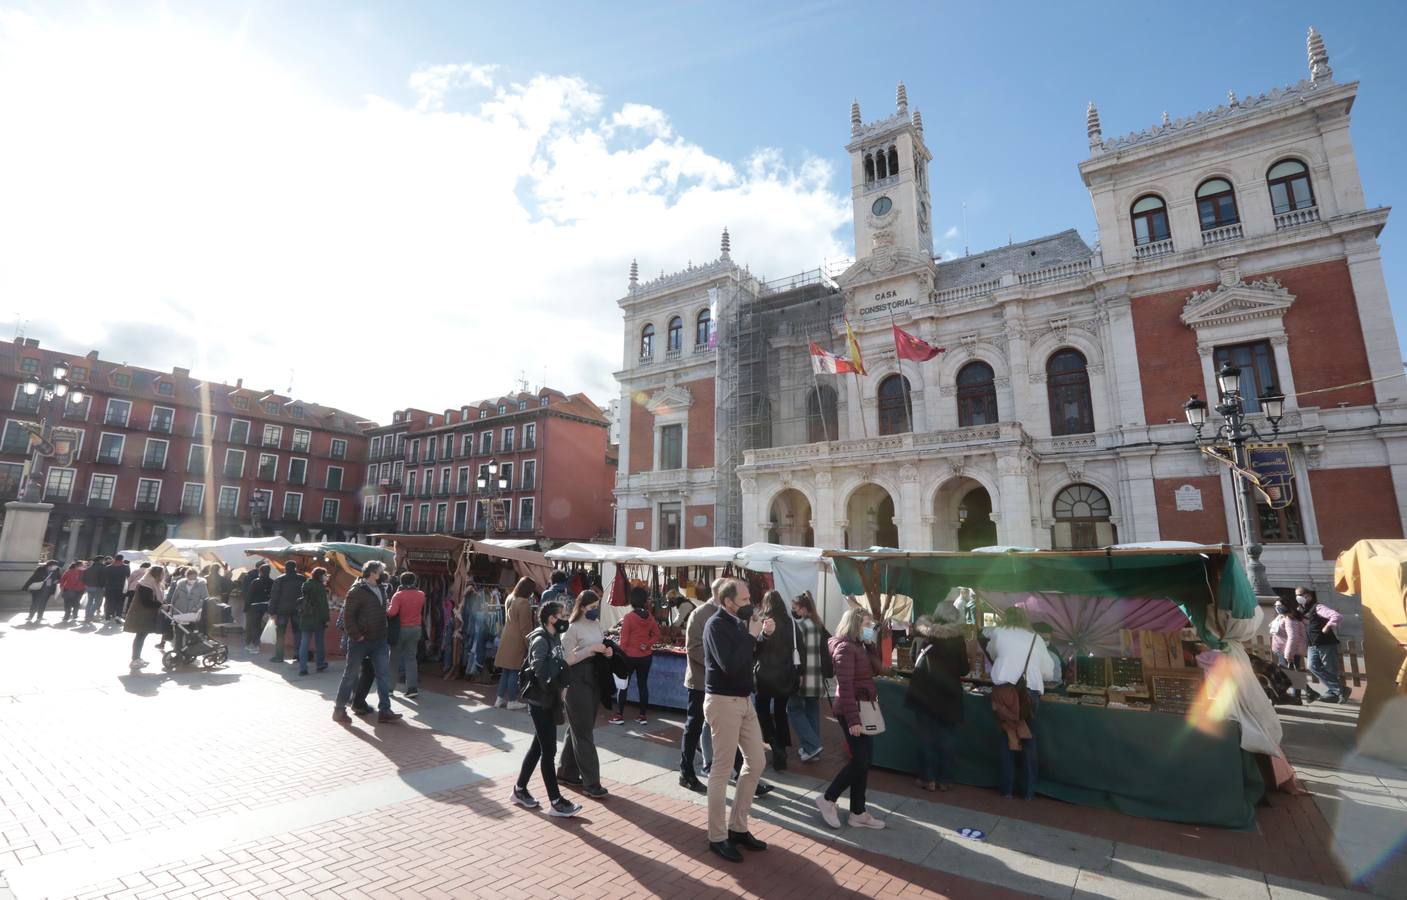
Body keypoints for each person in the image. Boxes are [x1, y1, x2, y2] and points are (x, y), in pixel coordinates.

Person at [702, 577, 773, 863]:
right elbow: (730, 665)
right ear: (727, 601)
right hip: (723, 701)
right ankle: (717, 837)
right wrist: (752, 636)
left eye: (749, 600)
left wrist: (762, 637)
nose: (749, 605)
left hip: (744, 700)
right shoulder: (715, 625)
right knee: (721, 770)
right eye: (744, 600)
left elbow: (750, 657)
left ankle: (738, 828)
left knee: (757, 761)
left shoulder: (737, 624)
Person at [815, 606, 887, 830]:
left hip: (862, 707)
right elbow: (845, 686)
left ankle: (858, 812)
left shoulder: (860, 646)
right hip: (852, 710)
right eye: (866, 624)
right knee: (860, 761)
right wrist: (854, 721)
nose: (869, 629)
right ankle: (828, 799)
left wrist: (871, 644)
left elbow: (878, 669)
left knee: (863, 762)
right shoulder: (846, 648)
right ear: (855, 625)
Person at [511, 600, 582, 818]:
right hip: (540, 702)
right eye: (562, 614)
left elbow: (556, 666)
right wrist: (563, 664)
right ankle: (556, 801)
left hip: (549, 700)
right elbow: (540, 670)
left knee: (538, 748)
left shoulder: (553, 637)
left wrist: (564, 680)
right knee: (548, 751)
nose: (566, 617)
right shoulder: (541, 640)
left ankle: (519, 790)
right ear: (551, 618)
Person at [982, 606, 1056, 800]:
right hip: (1028, 693)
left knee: (1007, 738)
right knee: (1029, 739)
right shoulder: (1036, 639)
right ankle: (1029, 792)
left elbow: (992, 652)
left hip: (1005, 692)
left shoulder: (998, 632)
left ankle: (1007, 789)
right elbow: (1048, 671)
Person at [556, 590, 612, 800]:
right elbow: (566, 659)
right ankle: (592, 782)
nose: (595, 610)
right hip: (576, 681)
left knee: (579, 728)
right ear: (581, 607)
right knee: (583, 732)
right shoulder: (571, 629)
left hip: (593, 678)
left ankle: (566, 772)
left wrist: (607, 651)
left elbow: (601, 643)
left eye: (597, 606)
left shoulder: (596, 624)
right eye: (592, 607)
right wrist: (589, 651)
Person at [906, 608, 969, 792]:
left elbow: (912, 659)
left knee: (926, 737)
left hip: (924, 694)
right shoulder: (958, 641)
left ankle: (928, 779)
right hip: (949, 696)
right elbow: (964, 669)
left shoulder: (924, 636)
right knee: (947, 739)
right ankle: (946, 780)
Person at [333, 561, 402, 724]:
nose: (383, 574)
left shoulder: (381, 589)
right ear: (372, 573)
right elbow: (348, 618)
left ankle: (385, 710)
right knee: (350, 676)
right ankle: (339, 710)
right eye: (380, 572)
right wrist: (358, 636)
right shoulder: (356, 591)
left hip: (379, 641)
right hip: (360, 642)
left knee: (383, 675)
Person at [679, 578, 722, 792]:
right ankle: (686, 772)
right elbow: (693, 648)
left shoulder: (729, 613)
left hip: (721, 682)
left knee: (724, 726)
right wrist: (718, 662)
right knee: (694, 725)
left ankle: (731, 768)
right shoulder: (699, 614)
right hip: (700, 682)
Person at [753, 590, 797, 772]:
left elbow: (755, 648)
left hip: (765, 673)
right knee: (780, 711)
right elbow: (798, 646)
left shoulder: (762, 620)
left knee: (762, 710)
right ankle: (781, 744)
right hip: (785, 673)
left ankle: (774, 743)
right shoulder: (789, 622)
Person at [612, 586, 661, 725]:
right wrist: (648, 644)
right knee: (643, 685)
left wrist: (618, 656)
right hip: (646, 656)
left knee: (623, 685)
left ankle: (619, 715)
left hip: (629, 657)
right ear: (645, 601)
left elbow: (624, 641)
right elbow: (657, 634)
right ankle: (642, 716)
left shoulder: (629, 618)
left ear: (632, 600)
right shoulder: (650, 617)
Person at [788, 592, 827, 763]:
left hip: (802, 675)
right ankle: (813, 749)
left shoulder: (800, 626)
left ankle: (812, 746)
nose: (794, 611)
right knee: (812, 711)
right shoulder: (818, 624)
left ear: (803, 609)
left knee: (794, 709)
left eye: (795, 608)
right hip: (816, 675)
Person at [494, 577, 538, 710]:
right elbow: (525, 628)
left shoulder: (510, 598)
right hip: (517, 640)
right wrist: (530, 644)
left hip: (506, 637)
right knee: (514, 670)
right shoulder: (524, 603)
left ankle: (499, 698)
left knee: (506, 670)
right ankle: (512, 700)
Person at [1300, 588, 1346, 703]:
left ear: (1308, 596)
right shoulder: (1303, 609)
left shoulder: (1318, 607)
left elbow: (1336, 616)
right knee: (1312, 666)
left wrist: (1327, 626)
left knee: (1329, 668)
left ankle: (1334, 692)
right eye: (1296, 595)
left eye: (1300, 595)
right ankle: (1339, 689)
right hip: (1312, 644)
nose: (1298, 597)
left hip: (1325, 642)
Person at [388, 572, 427, 697]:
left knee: (394, 658)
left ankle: (389, 688)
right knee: (411, 658)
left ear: (401, 581)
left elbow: (392, 613)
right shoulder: (421, 594)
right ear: (414, 581)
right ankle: (412, 688)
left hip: (400, 629)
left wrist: (386, 607)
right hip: (415, 629)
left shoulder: (398, 595)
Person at [1270, 599, 1313, 702]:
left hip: (1289, 651)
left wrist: (1289, 654)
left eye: (1279, 605)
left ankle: (1305, 694)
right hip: (1282, 650)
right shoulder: (1281, 617)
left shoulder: (1290, 619)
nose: (1277, 607)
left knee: (1288, 674)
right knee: (1291, 673)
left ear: (1286, 606)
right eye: (1275, 605)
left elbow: (1293, 638)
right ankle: (1301, 695)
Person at [125, 565, 167, 670]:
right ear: (158, 574)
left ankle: (136, 658)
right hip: (142, 614)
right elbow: (146, 602)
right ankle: (135, 659)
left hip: (144, 614)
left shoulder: (150, 582)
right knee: (140, 636)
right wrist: (160, 605)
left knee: (141, 636)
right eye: (162, 574)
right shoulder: (147, 585)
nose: (163, 576)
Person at [269, 561, 307, 663]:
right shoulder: (302, 578)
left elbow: (274, 596)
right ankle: (298, 654)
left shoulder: (280, 579)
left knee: (280, 633)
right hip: (297, 608)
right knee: (298, 632)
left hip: (282, 609)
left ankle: (279, 656)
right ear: (295, 568)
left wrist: (272, 611)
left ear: (285, 568)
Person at [298, 567, 332, 676]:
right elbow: (323, 606)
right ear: (320, 576)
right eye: (325, 575)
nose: (326, 577)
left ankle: (303, 668)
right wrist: (326, 619)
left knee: (304, 643)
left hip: (305, 617)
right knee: (319, 642)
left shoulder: (305, 584)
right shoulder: (320, 587)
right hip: (317, 618)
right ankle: (320, 664)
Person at [244, 564, 274, 653]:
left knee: (255, 626)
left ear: (260, 572)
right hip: (267, 607)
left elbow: (249, 596)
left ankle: (255, 645)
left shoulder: (255, 582)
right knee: (263, 626)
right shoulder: (272, 582)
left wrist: (246, 608)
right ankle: (262, 644)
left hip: (255, 607)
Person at [21, 560, 59, 624]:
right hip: (38, 590)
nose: (55, 567)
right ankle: (30, 616)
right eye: (54, 565)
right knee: (35, 603)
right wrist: (26, 587)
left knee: (43, 604)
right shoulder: (41, 570)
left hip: (47, 590)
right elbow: (32, 578)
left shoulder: (56, 571)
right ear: (50, 565)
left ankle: (39, 616)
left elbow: (59, 578)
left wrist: (56, 581)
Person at [102, 555, 131, 623]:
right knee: (120, 602)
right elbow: (128, 575)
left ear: (115, 559)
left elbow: (104, 577)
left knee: (109, 602)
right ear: (122, 559)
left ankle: (107, 618)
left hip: (109, 587)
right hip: (121, 587)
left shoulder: (108, 567)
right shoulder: (126, 567)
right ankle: (118, 616)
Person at [82, 556, 107, 623]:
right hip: (98, 587)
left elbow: (83, 578)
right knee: (97, 602)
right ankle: (90, 616)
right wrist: (103, 586)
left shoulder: (89, 568)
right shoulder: (103, 568)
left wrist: (87, 584)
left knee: (89, 602)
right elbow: (103, 579)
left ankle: (87, 616)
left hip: (89, 587)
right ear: (100, 560)